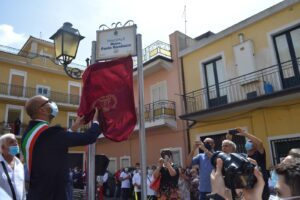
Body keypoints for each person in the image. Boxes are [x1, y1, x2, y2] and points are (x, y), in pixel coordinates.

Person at [21, 95, 102, 200]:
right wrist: (96, 122)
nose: (52, 103)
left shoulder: (28, 134)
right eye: (49, 101)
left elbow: (52, 146)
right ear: (42, 110)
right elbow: (89, 137)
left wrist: (73, 129)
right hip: (55, 195)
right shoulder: (50, 133)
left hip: (37, 194)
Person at [235, 127, 270, 200]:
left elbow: (260, 143)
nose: (248, 142)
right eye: (248, 141)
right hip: (248, 186)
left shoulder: (259, 153)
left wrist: (245, 134)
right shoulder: (243, 157)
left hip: (261, 186)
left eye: (251, 141)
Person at [0, 133, 26, 200]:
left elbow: (22, 189)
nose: (16, 144)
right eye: (11, 142)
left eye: (16, 141)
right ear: (2, 148)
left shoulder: (19, 164)